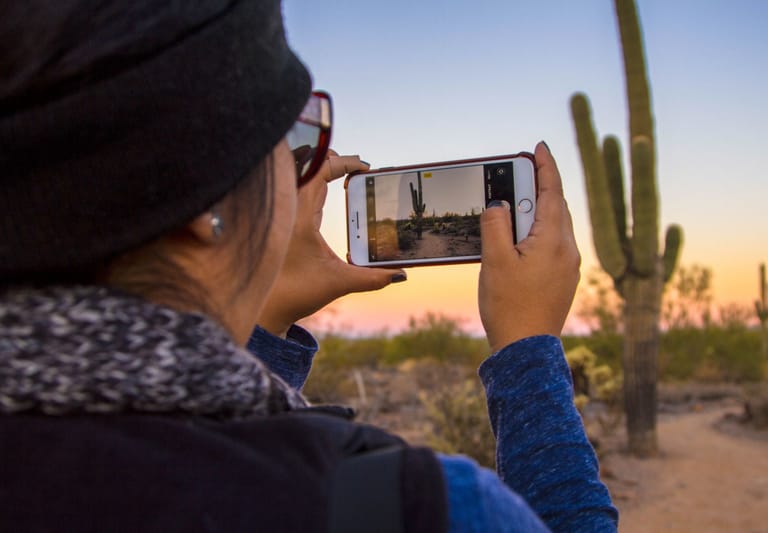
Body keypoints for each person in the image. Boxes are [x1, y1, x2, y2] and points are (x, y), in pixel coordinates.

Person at [0, 1, 617, 531]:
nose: (308, 168)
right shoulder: (406, 507)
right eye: (294, 135)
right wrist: (529, 349)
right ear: (202, 192)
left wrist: (262, 315)